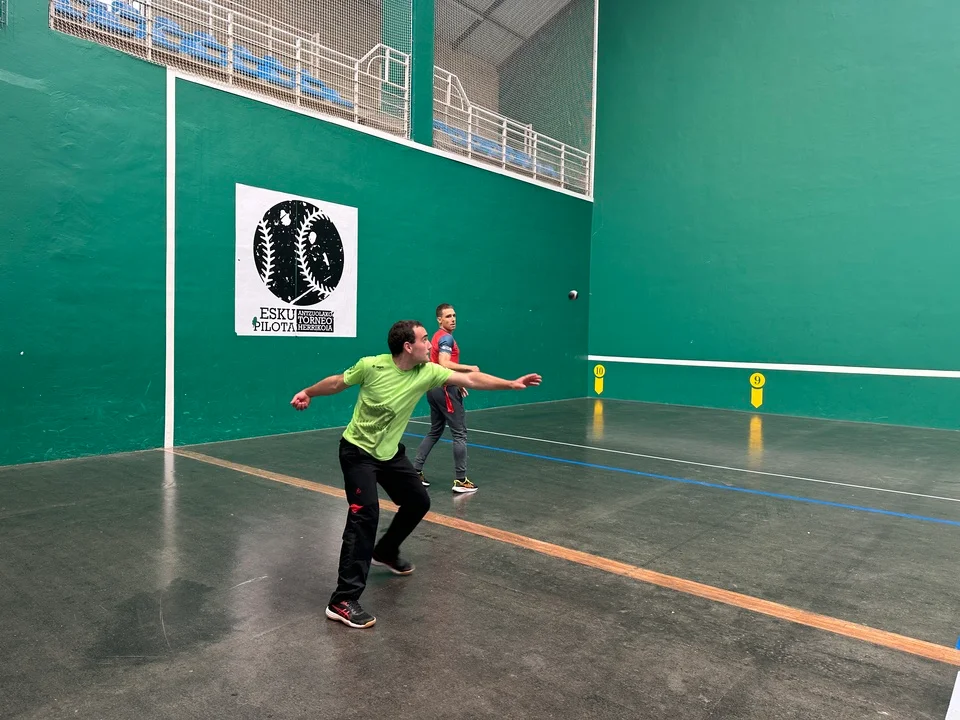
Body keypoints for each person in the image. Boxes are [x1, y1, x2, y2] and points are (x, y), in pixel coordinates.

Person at [290, 319, 541, 629]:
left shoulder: (428, 371)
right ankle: (342, 600)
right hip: (357, 453)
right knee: (364, 516)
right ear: (408, 346)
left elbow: (470, 378)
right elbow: (337, 383)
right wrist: (308, 392)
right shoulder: (371, 366)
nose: (429, 344)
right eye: (424, 340)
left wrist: (511, 384)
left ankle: (385, 550)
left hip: (389, 453)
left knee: (418, 501)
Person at [413, 303, 480, 494]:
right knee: (460, 434)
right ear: (439, 319)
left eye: (454, 315)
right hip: (445, 391)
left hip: (433, 388)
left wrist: (458, 382)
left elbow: (438, 364)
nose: (453, 319)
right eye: (448, 316)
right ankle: (461, 480)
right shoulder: (446, 338)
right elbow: (443, 363)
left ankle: (415, 471)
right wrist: (469, 369)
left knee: (435, 431)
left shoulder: (436, 336)